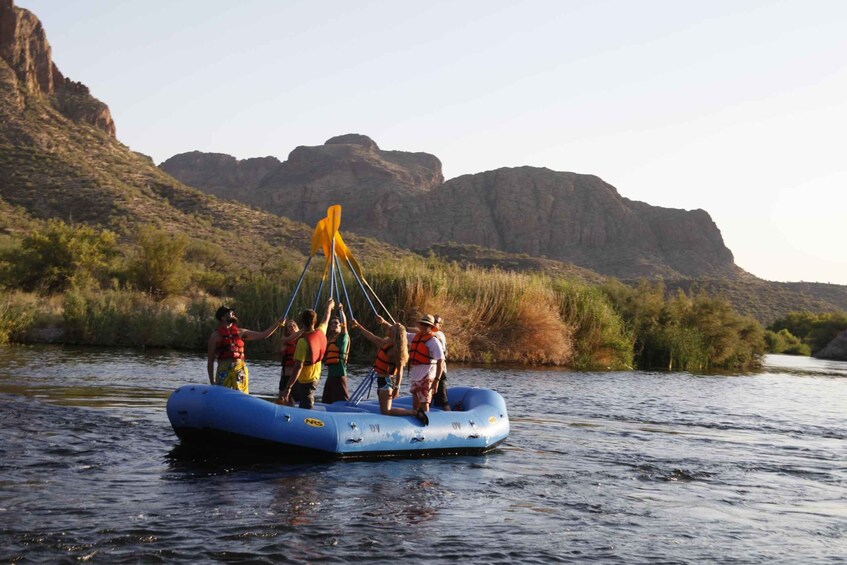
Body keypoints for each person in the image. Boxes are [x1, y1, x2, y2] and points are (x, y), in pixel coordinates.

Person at [207, 306, 282, 394]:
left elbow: (263, 335)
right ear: (223, 317)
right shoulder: (215, 336)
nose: (233, 314)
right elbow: (210, 361)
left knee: (241, 394)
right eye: (230, 313)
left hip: (240, 369)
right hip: (224, 369)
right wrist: (212, 381)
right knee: (222, 394)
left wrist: (278, 324)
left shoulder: (241, 332)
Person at [350, 318, 410, 417]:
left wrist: (397, 388)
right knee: (384, 411)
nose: (388, 329)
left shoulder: (396, 350)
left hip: (387, 381)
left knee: (386, 411)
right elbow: (371, 336)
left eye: (391, 329)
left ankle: (414, 412)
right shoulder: (385, 342)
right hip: (381, 379)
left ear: (395, 334)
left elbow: (400, 370)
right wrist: (358, 325)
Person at [280, 298, 334, 409]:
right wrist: (329, 307)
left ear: (302, 322)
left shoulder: (303, 342)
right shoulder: (321, 332)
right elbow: (326, 320)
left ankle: (309, 422)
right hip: (315, 377)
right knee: (298, 401)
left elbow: (298, 366)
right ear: (315, 321)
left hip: (306, 380)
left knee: (306, 406)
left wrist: (288, 387)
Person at [404, 314, 445, 425]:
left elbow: (441, 362)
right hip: (416, 375)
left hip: (427, 375)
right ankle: (415, 423)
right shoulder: (415, 337)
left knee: (424, 402)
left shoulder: (433, 341)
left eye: (426, 325)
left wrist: (436, 381)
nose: (423, 327)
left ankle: (428, 424)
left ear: (431, 327)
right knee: (415, 403)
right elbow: (401, 333)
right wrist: (384, 323)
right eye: (422, 324)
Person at [321, 306, 350, 404]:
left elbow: (345, 326)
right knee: (326, 400)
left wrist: (341, 311)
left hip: (339, 374)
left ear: (340, 325)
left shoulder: (342, 337)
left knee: (341, 401)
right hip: (331, 375)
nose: (333, 324)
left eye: (336, 323)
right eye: (332, 323)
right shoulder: (330, 339)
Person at [277, 319, 301, 405]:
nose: (292, 327)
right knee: (282, 398)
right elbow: (287, 339)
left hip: (296, 376)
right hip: (285, 375)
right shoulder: (284, 340)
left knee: (295, 399)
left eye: (294, 325)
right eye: (289, 327)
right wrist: (302, 330)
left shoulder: (301, 340)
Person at [431, 314, 451, 411]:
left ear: (440, 326)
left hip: (440, 371)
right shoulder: (428, 334)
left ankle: (450, 418)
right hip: (431, 370)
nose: (434, 324)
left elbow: (418, 331)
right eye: (432, 321)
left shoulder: (439, 334)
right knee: (428, 398)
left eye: (436, 322)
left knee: (443, 399)